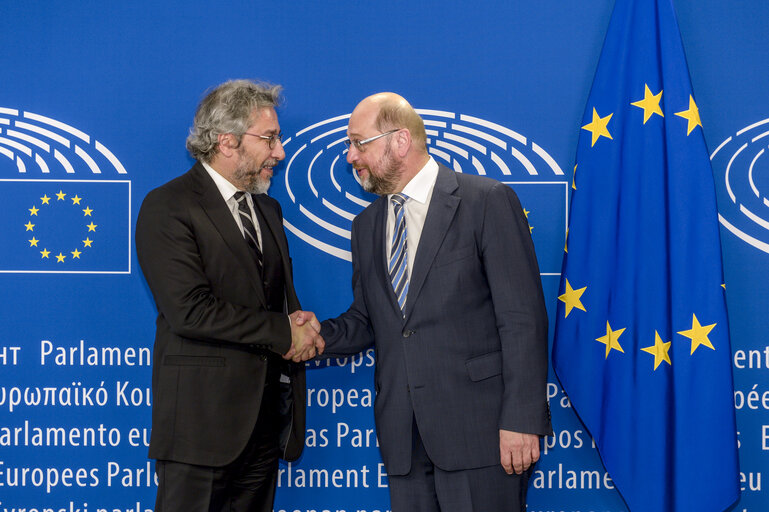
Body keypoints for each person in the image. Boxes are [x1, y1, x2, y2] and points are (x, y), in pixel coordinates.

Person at [317, 92, 552, 511]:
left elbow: (522, 318)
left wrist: (521, 419)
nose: (352, 157)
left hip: (482, 435)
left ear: (400, 141)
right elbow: (371, 320)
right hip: (405, 440)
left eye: (358, 143)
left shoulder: (485, 200)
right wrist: (312, 335)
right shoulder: (366, 225)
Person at [135, 79, 323, 512]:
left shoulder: (267, 209)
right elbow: (190, 312)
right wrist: (282, 332)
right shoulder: (168, 206)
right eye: (269, 138)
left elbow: (276, 301)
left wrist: (297, 323)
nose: (279, 151)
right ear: (227, 141)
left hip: (263, 427)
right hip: (200, 430)